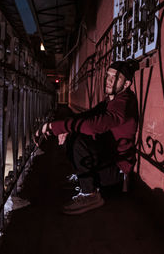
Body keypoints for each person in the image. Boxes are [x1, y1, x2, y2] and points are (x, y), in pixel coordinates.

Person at [36, 60, 138, 215]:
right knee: (72, 132)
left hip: (116, 170)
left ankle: (90, 193)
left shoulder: (123, 102)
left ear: (126, 84)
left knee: (79, 139)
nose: (109, 80)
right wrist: (63, 127)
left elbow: (92, 126)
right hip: (106, 160)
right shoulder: (111, 100)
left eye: (115, 78)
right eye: (108, 76)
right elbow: (88, 115)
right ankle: (83, 177)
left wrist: (55, 127)